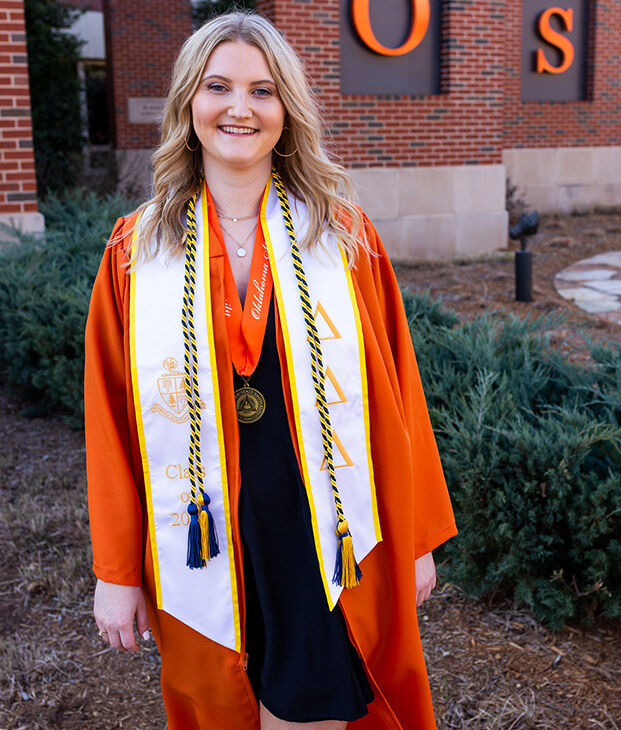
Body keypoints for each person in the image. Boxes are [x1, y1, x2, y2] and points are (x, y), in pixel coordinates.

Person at [85, 10, 456, 730]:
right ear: (189, 102)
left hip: (324, 528)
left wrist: (414, 540)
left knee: (311, 706)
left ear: (286, 108)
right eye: (218, 86)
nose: (240, 108)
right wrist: (115, 571)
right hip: (203, 534)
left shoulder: (342, 236)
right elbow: (109, 422)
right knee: (226, 705)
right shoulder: (135, 252)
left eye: (262, 90)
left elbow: (398, 394)